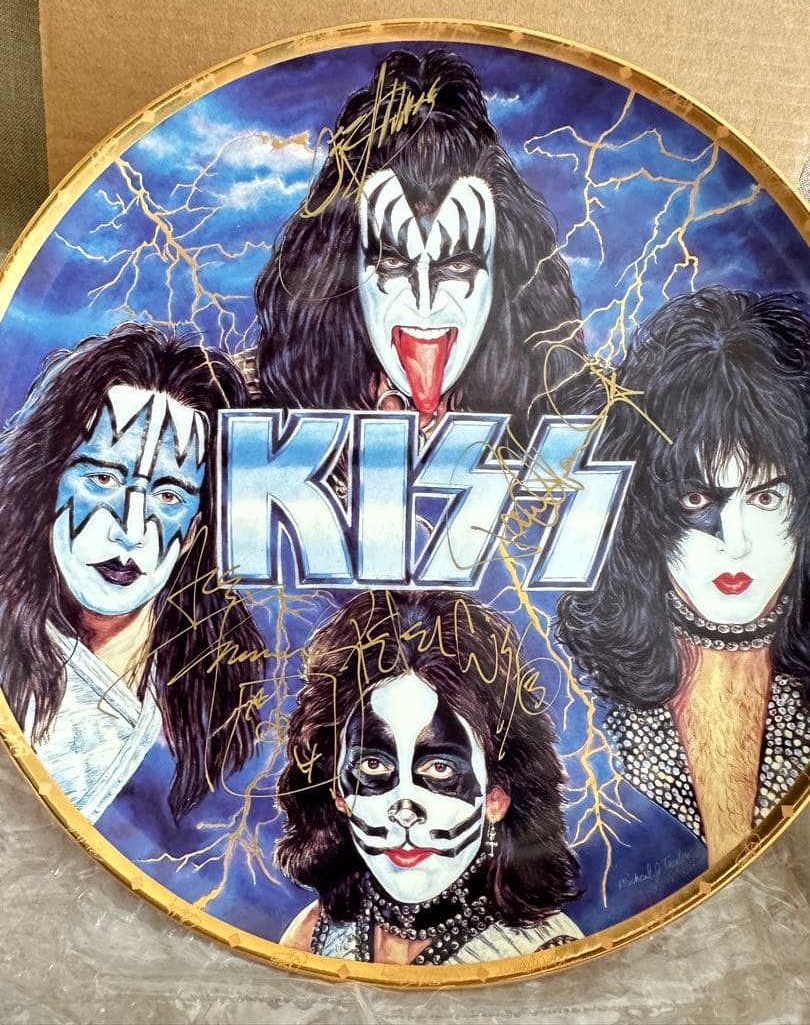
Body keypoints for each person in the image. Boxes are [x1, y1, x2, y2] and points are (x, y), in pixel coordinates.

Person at [556, 286, 810, 864]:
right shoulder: (582, 700)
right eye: (699, 499)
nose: (736, 544)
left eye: (766, 497)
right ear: (642, 506)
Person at [253, 48, 591, 448]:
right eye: (393, 263)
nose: (425, 302)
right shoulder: (271, 417)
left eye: (458, 266)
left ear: (502, 276)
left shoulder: (555, 415)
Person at [0, 323, 267, 824]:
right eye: (103, 478)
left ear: (196, 529)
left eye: (169, 495)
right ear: (47, 483)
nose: (130, 527)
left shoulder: (213, 710)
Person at [275, 590, 582, 964]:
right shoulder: (313, 934)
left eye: (441, 768)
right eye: (373, 765)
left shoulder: (545, 953)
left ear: (497, 797)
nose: (404, 811)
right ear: (336, 789)